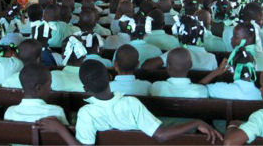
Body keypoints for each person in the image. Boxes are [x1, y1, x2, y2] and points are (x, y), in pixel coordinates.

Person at [36, 60, 222, 145]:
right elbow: (160, 136)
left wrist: (60, 129)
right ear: (110, 77)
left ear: (86, 89)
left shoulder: (87, 113)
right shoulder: (131, 103)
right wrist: (197, 122)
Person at [4, 64, 69, 125]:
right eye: (49, 84)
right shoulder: (56, 112)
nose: (50, 88)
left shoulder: (9, 112)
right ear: (39, 88)